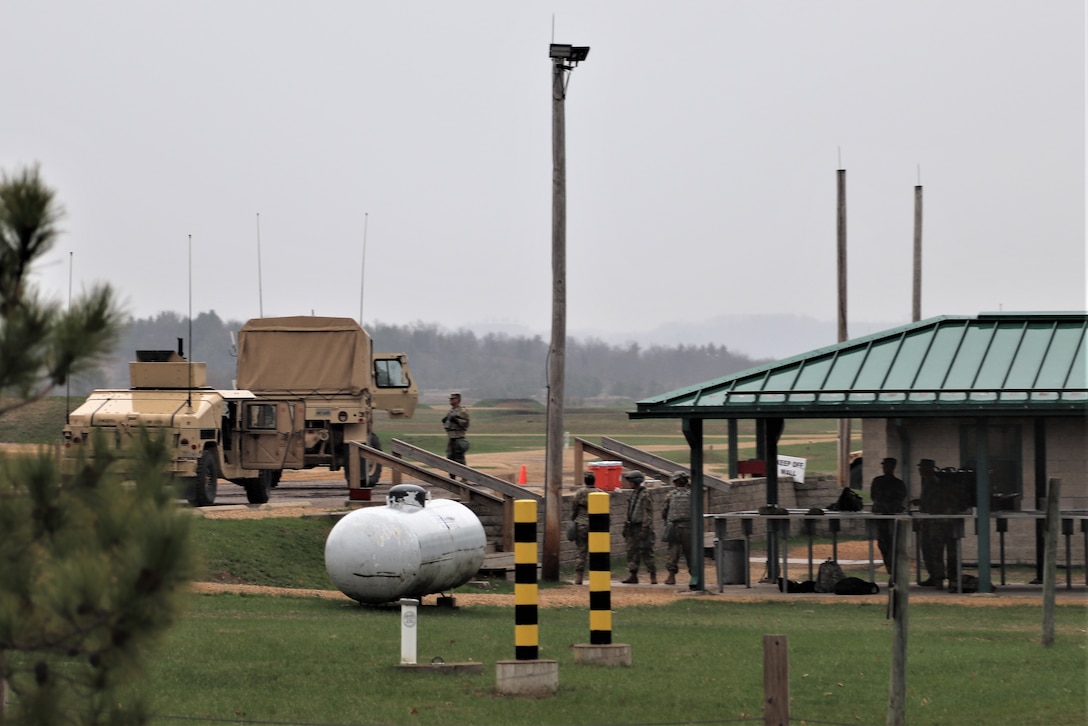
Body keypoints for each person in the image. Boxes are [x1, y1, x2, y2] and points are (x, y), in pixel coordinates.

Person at [915, 458, 961, 588]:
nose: (919, 470)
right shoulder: (930, 482)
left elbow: (933, 502)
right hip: (937, 521)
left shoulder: (933, 483)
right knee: (936, 551)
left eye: (922, 467)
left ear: (928, 468)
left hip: (936, 522)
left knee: (936, 551)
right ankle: (939, 577)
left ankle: (939, 578)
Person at [869, 457, 907, 576]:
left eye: (888, 465)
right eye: (884, 465)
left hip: (894, 517)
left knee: (895, 544)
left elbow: (901, 498)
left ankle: (895, 570)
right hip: (881, 517)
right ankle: (890, 570)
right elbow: (873, 496)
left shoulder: (898, 483)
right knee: (883, 544)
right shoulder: (877, 481)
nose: (885, 468)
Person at [620, 470, 657, 584]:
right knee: (631, 552)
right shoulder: (634, 494)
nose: (629, 483)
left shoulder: (645, 495)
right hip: (632, 527)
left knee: (646, 551)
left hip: (641, 526)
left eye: (631, 481)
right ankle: (633, 574)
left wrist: (645, 528)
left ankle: (652, 575)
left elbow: (648, 513)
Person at [661, 470, 693, 586]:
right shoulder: (692, 495)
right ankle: (694, 577)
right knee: (690, 552)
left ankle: (671, 576)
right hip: (688, 527)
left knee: (673, 552)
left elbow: (664, 511)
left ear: (675, 482)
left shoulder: (670, 495)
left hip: (674, 526)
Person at [570, 470, 596, 585]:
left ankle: (579, 576)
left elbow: (574, 507)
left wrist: (573, 519)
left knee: (581, 550)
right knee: (597, 552)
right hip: (596, 526)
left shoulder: (580, 492)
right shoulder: (599, 492)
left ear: (585, 481)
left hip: (581, 524)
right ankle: (597, 575)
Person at [441, 392, 470, 476]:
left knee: (459, 458)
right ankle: (452, 477)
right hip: (451, 437)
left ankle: (464, 477)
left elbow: (465, 424)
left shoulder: (462, 411)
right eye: (450, 399)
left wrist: (456, 420)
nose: (451, 400)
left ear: (458, 400)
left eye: (453, 399)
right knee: (450, 457)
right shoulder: (451, 411)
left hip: (459, 437)